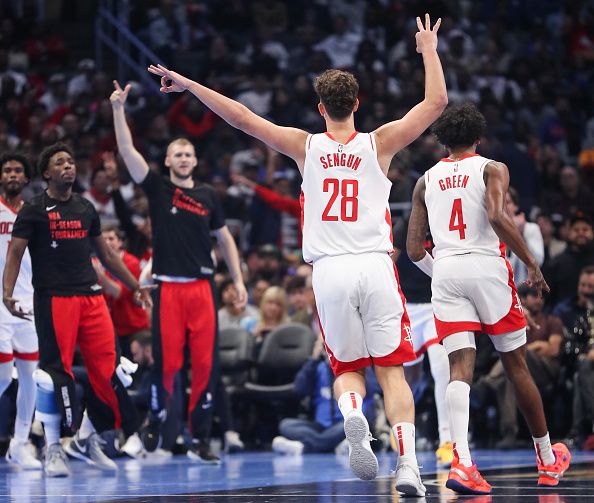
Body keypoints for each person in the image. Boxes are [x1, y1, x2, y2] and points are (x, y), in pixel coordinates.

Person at [147, 13, 447, 496]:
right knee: (391, 370)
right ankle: (409, 465)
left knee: (347, 370)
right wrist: (427, 48)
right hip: (373, 264)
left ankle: (353, 415)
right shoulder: (379, 143)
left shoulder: (303, 146)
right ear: (356, 103)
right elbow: (436, 103)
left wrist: (188, 84)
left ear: (320, 107)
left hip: (329, 272)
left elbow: (240, 117)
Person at [406, 102, 571, 495]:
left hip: (445, 272)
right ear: (479, 137)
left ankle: (462, 462)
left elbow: (413, 249)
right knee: (516, 365)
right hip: (487, 267)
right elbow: (497, 216)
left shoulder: (425, 180)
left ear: (442, 141)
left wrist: (444, 271)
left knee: (459, 367)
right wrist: (530, 261)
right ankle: (548, 460)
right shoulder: (492, 168)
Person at [110, 81, 248, 464]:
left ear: (195, 161)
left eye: (189, 153)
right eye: (177, 153)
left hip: (202, 289)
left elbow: (225, 241)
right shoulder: (156, 187)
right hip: (168, 291)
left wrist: (237, 281)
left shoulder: (207, 196)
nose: (184, 158)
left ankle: (200, 438)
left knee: (205, 366)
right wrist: (119, 109)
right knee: (168, 366)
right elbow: (126, 150)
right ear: (168, 162)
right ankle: (156, 423)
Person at [2, 142, 153, 477]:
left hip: (92, 298)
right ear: (46, 173)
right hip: (54, 299)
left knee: (108, 371)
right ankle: (55, 445)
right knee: (56, 376)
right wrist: (7, 293)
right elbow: (14, 254)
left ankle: (90, 437)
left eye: (71, 161)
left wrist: (135, 286)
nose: (68, 166)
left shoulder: (85, 208)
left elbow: (110, 256)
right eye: (60, 162)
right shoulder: (33, 210)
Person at [393, 222, 452, 467]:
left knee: (442, 368)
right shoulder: (404, 225)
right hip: (406, 307)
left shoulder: (445, 218)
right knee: (408, 378)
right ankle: (400, 432)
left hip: (434, 304)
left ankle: (447, 440)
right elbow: (389, 260)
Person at [0, 152, 41, 470]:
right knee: (2, 375)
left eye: (18, 171)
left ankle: (20, 442)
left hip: (28, 303)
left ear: (26, 178)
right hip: (0, 302)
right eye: (7, 170)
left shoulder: (33, 213)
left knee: (29, 377)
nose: (12, 174)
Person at [92, 225, 150, 360]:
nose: (106, 243)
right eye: (103, 239)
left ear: (120, 243)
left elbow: (118, 292)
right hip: (114, 329)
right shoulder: (97, 264)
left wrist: (100, 275)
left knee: (135, 371)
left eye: (111, 238)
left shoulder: (131, 263)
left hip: (135, 329)